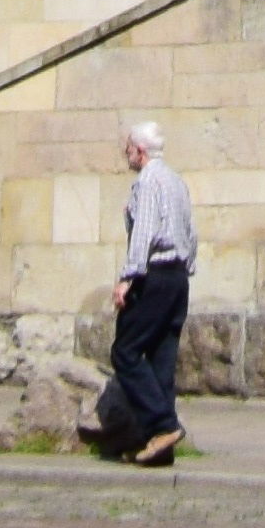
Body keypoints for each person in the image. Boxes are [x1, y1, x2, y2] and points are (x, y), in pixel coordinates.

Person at [99, 119, 193, 469]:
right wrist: (185, 270)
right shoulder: (176, 181)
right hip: (177, 277)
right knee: (160, 361)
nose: (126, 155)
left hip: (153, 275)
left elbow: (145, 233)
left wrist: (128, 277)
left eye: (127, 149)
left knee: (125, 351)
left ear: (140, 151)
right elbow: (190, 232)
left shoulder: (149, 181)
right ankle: (158, 445)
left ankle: (164, 426)